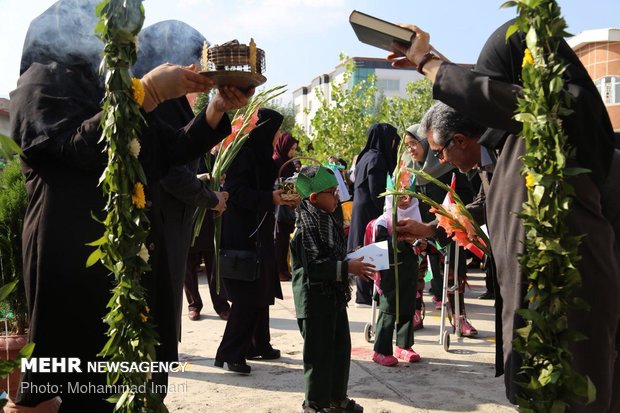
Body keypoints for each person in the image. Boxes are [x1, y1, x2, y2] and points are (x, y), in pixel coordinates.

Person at [9, 1, 250, 410]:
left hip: (126, 256)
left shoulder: (114, 90)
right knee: (82, 382)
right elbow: (77, 149)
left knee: (135, 374)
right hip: (71, 258)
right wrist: (148, 92)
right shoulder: (40, 83)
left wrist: (215, 108)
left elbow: (167, 149)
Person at [390, 21, 620, 412]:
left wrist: (428, 63)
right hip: (533, 306)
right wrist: (433, 227)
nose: (441, 161)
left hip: (572, 300)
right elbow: (483, 107)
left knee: (580, 394)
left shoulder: (563, 119)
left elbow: (488, 99)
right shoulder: (513, 142)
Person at [133, 19, 230, 377]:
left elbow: (177, 156)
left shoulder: (167, 102)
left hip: (167, 223)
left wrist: (216, 108)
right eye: (193, 67)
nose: (196, 78)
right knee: (152, 327)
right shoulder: (156, 100)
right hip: (155, 227)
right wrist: (209, 196)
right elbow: (172, 171)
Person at [214, 108, 294, 374]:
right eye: (277, 130)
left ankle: (256, 345)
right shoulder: (244, 155)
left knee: (261, 291)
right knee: (247, 297)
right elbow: (235, 192)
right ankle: (229, 353)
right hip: (242, 233)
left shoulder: (259, 155)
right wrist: (269, 198)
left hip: (257, 232)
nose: (279, 136)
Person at [290, 165, 373, 413]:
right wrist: (348, 268)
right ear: (314, 198)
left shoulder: (327, 220)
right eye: (332, 192)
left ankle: (337, 398)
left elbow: (334, 255)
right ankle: (314, 404)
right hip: (314, 301)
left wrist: (353, 259)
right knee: (318, 355)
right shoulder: (304, 228)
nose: (338, 196)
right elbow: (315, 266)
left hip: (333, 297)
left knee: (339, 349)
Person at [403, 124, 478, 337]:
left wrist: (452, 210)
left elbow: (467, 196)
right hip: (418, 229)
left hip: (447, 228)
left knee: (453, 271)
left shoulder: (448, 165)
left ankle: (459, 317)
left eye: (414, 144)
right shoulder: (408, 169)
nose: (410, 150)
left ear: (425, 143)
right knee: (416, 269)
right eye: (407, 146)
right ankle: (416, 312)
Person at [347, 123, 400, 306]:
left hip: (360, 207)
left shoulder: (365, 156)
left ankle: (363, 295)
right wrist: (386, 210)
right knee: (369, 248)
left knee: (362, 248)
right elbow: (376, 191)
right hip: (370, 209)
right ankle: (367, 296)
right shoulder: (377, 158)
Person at [370, 195, 422, 366]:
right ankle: (381, 350)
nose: (406, 199)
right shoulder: (383, 221)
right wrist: (404, 242)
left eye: (409, 195)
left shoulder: (415, 219)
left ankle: (404, 345)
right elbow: (381, 244)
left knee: (408, 306)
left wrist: (422, 244)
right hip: (391, 270)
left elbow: (422, 241)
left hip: (409, 269)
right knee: (389, 309)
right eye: (400, 196)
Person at [273, 131, 299, 281]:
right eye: (291, 148)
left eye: (295, 149)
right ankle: (279, 270)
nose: (293, 152)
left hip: (288, 207)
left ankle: (284, 269)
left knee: (284, 242)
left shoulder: (288, 164)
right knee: (279, 241)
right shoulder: (277, 162)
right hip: (279, 208)